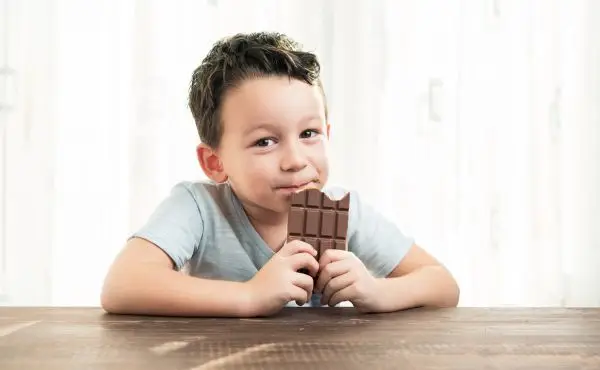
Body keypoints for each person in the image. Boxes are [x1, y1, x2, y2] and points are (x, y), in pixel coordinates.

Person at [100, 32, 460, 317]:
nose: (295, 160)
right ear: (215, 163)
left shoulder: (345, 211)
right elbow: (123, 284)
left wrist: (378, 291)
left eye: (309, 134)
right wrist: (249, 295)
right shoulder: (198, 208)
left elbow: (442, 284)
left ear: (327, 135)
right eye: (265, 141)